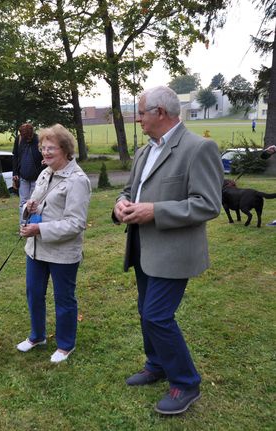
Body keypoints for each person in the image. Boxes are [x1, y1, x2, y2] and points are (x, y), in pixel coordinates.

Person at [112, 86, 223, 415]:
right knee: (146, 311)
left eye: (142, 112)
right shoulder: (146, 151)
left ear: (160, 113)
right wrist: (121, 203)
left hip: (174, 253)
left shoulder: (198, 148)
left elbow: (208, 204)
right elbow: (129, 188)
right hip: (143, 249)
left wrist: (155, 211)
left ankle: (187, 382)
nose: (138, 118)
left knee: (157, 315)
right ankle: (157, 364)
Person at [16, 124, 91, 364]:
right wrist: (29, 208)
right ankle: (37, 336)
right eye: (43, 148)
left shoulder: (77, 180)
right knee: (34, 293)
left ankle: (66, 344)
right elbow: (37, 203)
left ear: (65, 149)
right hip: (36, 249)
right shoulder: (45, 172)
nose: (45, 153)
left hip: (62, 253)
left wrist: (40, 228)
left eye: (51, 148)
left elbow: (76, 223)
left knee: (64, 298)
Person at [12, 123, 44, 224]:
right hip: (23, 177)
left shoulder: (39, 140)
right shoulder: (19, 140)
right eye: (25, 137)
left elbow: (45, 156)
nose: (27, 139)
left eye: (29, 137)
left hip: (37, 177)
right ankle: (23, 224)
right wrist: (15, 172)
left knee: (35, 202)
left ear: (32, 133)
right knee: (23, 202)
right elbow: (15, 156)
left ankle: (33, 224)